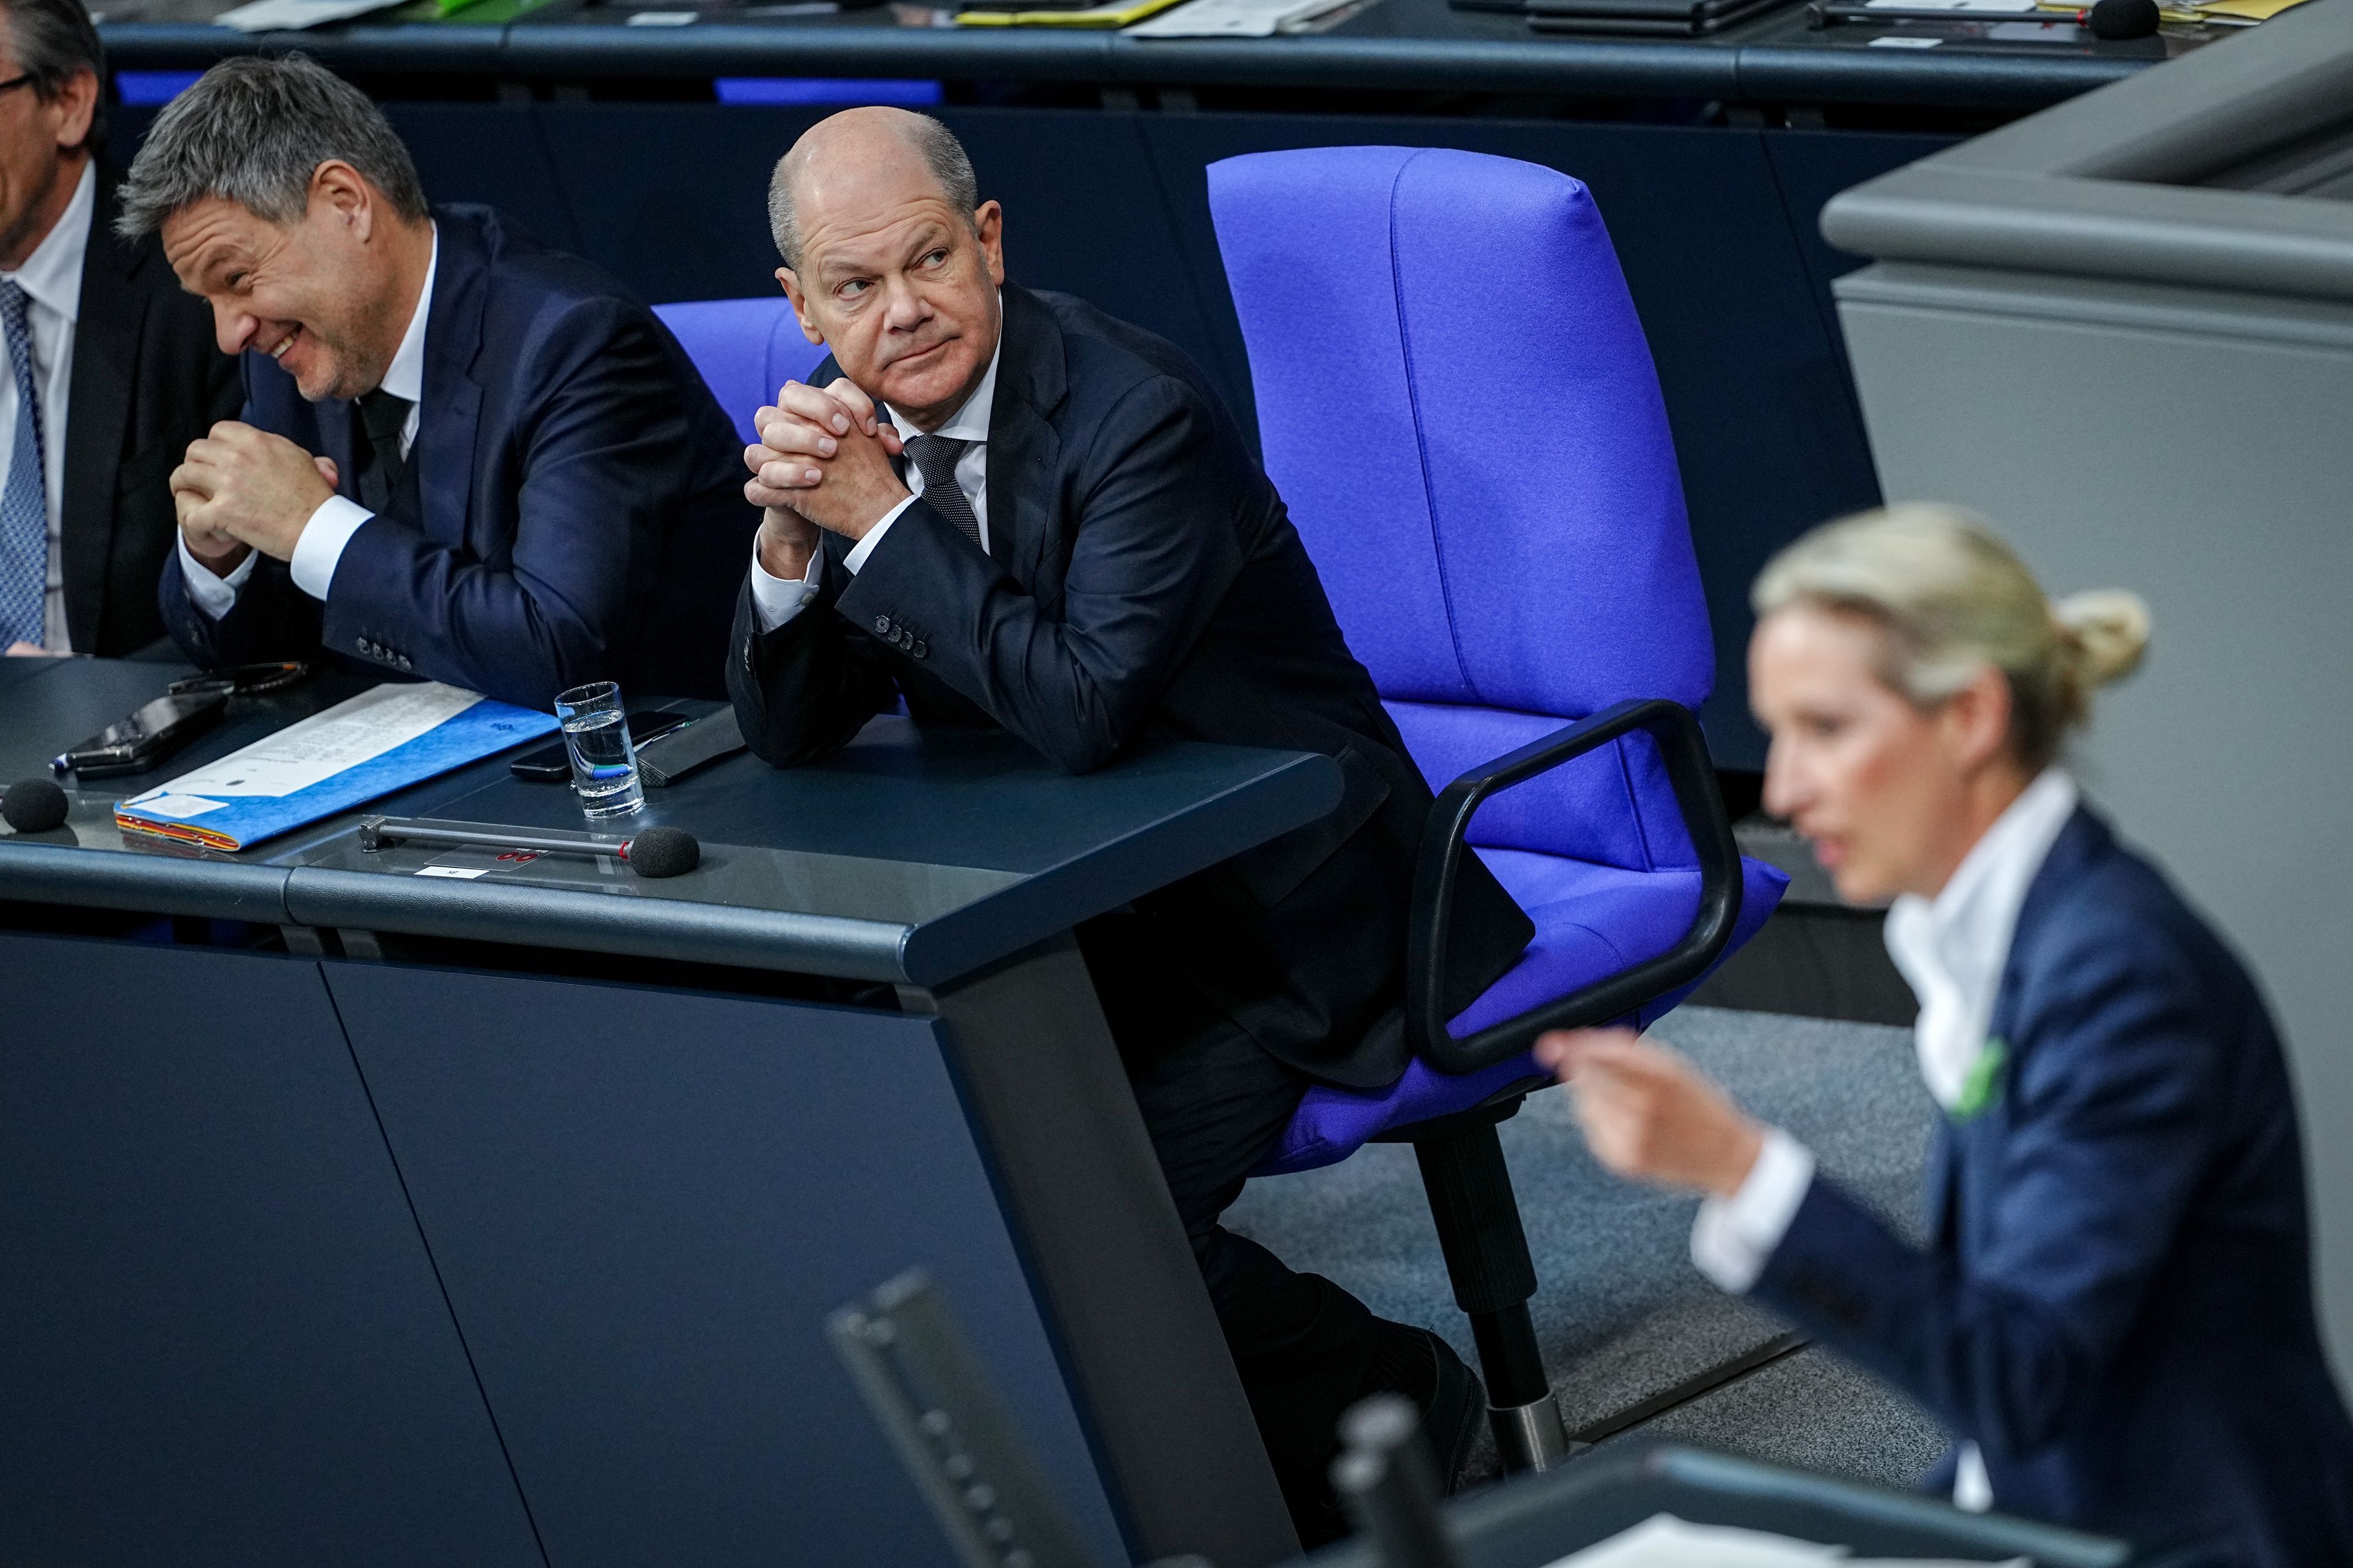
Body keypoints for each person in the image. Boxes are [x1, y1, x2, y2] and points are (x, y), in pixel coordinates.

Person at [729, 107, 1534, 1543]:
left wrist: (875, 524)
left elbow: (1082, 703)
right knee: (923, 1160)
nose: (901, 311)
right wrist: (793, 552)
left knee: (1090, 1223)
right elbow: (790, 728)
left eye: (929, 260)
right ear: (798, 303)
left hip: (1292, 909)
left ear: (987, 242)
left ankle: (1407, 1404)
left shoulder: (1132, 412)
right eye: (854, 288)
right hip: (1085, 906)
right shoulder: (855, 424)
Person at [1538, 505, 2353, 1566]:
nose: (1780, 787)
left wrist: (1740, 1169)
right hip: (2042, 1498)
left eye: (1824, 729)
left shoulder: (2120, 981)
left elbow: (2018, 1372)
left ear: (1969, 717)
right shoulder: (1993, 940)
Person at [118, 55, 755, 709]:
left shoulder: (576, 342)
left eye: (237, 279)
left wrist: (314, 527)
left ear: (346, 204)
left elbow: (562, 651)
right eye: (208, 302)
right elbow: (268, 649)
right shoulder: (289, 355)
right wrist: (221, 555)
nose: (230, 335)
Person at [0, 0, 237, 658]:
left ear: (70, 102)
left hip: (122, 710)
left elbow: (253, 610)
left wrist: (79, 696)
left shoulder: (195, 293)